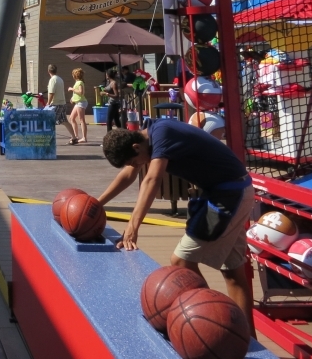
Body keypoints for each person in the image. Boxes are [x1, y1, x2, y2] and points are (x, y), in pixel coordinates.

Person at [98, 122, 255, 333]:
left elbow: (152, 179)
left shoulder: (162, 135)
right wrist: (97, 204)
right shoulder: (148, 136)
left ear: (136, 147)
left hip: (228, 196)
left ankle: (214, 324)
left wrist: (133, 226)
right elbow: (128, 175)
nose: (136, 166)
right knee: (233, 273)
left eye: (134, 162)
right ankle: (245, 336)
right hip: (231, 191)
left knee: (181, 261)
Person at [47, 64, 77, 144]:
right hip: (63, 103)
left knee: (50, 122)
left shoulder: (52, 80)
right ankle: (74, 138)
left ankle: (49, 141)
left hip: (56, 104)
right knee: (64, 121)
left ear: (49, 71)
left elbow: (51, 93)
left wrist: (48, 103)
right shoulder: (60, 79)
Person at [67, 68, 89, 144]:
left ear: (75, 75)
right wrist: (72, 98)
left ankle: (84, 138)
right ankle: (76, 136)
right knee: (71, 118)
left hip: (81, 102)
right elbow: (77, 94)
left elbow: (81, 92)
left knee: (81, 120)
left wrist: (72, 89)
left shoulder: (80, 82)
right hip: (78, 102)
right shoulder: (78, 82)